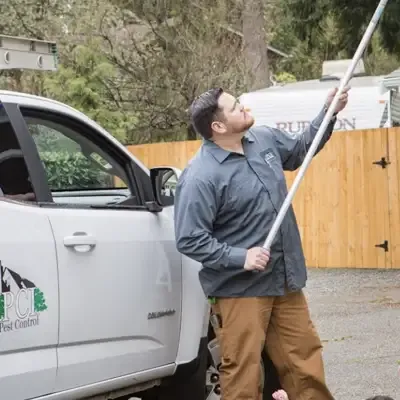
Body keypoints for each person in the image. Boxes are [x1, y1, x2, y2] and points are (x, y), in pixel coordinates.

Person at [173, 85, 350, 400]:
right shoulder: (201, 176)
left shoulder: (264, 139)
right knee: (244, 373)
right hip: (240, 290)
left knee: (306, 365)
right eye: (234, 106)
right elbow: (189, 238)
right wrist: (241, 257)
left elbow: (299, 151)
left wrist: (329, 113)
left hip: (284, 281)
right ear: (218, 126)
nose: (242, 106)